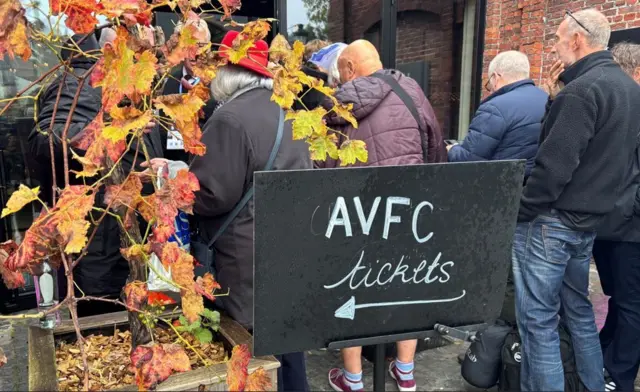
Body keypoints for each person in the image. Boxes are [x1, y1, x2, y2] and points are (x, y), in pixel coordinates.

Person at [512, 9, 640, 391]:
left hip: (553, 223)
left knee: (538, 322)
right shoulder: (627, 88)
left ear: (577, 40)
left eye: (557, 39)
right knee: (579, 312)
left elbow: (552, 169)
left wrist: (520, 210)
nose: (553, 46)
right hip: (590, 222)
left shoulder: (584, 90)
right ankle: (591, 385)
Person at [191, 31, 312, 391]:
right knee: (289, 348)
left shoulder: (229, 118)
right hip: (288, 249)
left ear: (227, 74)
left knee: (250, 355)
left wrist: (178, 185)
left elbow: (213, 195)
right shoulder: (288, 112)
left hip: (244, 260)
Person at [322, 40, 446, 392]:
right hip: (409, 214)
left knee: (351, 290)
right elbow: (435, 150)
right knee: (407, 288)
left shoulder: (338, 105)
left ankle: (353, 379)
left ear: (347, 68)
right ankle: (405, 372)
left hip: (356, 215)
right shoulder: (412, 91)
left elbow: (322, 165)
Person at [28, 27, 164, 317]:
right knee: (101, 319)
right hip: (98, 238)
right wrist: (112, 132)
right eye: (133, 49)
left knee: (136, 316)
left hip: (132, 231)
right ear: (108, 50)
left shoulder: (134, 85)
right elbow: (46, 139)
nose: (141, 58)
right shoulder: (79, 82)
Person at [591, 42, 640, 392]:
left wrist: (629, 209)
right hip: (611, 222)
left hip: (630, 228)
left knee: (631, 303)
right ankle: (608, 355)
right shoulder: (622, 106)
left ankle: (619, 375)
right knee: (620, 299)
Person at [447, 50, 547, 182]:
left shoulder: (495, 108)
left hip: (500, 190)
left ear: (495, 77)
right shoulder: (548, 99)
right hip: (535, 190)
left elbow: (468, 161)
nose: (491, 89)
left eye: (489, 84)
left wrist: (452, 149)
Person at [161, 18, 217, 163]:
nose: (195, 52)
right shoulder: (170, 81)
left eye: (200, 45)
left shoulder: (218, 83)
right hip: (173, 162)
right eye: (189, 45)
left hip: (207, 163)